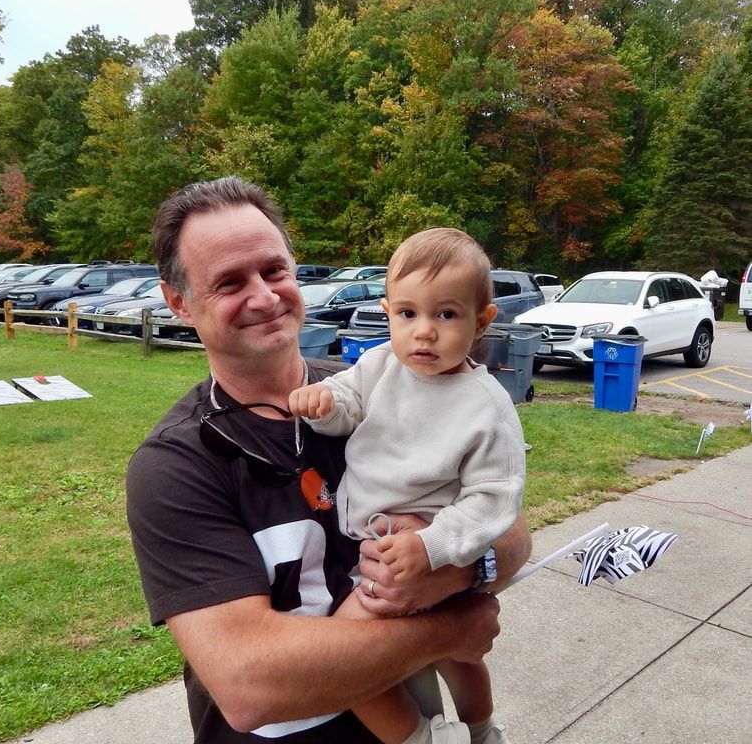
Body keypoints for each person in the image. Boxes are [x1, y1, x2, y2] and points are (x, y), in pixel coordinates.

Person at [126, 176, 532, 743]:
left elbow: (510, 528)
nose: (265, 296)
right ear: (178, 303)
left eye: (274, 270)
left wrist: (455, 569)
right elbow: (249, 688)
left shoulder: (382, 395)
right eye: (229, 282)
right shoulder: (176, 464)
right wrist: (446, 631)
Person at [289, 228, 526, 744]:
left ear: (481, 320)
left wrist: (432, 546)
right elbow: (348, 401)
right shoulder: (379, 366)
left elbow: (495, 498)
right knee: (452, 653)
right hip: (378, 546)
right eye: (407, 314)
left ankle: (440, 736)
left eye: (446, 314)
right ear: (387, 310)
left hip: (419, 557)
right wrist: (324, 404)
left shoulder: (486, 407)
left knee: (342, 664)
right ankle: (481, 732)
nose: (423, 332)